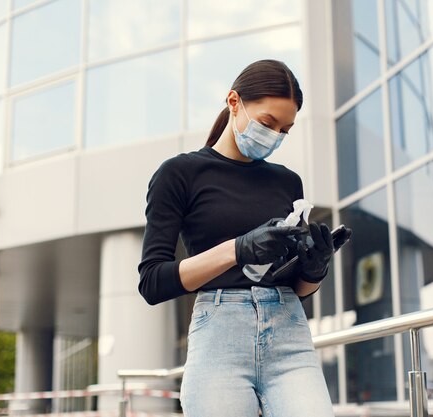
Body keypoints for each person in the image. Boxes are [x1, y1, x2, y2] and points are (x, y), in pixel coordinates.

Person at [137, 59, 351, 417]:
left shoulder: (288, 182)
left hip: (289, 332)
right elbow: (152, 282)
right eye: (268, 123)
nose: (276, 136)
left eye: (285, 129)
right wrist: (238, 250)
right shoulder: (180, 174)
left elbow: (298, 288)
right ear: (234, 102)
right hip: (220, 336)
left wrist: (314, 271)